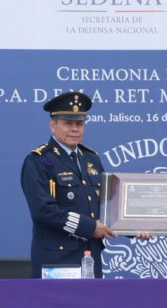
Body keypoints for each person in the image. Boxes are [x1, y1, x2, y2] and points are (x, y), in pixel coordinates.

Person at [21, 93, 114, 278]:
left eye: (79, 124)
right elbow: (43, 211)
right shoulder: (39, 160)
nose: (74, 129)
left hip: (90, 258)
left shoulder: (91, 158)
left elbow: (108, 205)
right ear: (53, 126)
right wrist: (89, 227)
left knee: (94, 307)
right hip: (57, 261)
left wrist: (133, 228)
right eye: (67, 123)